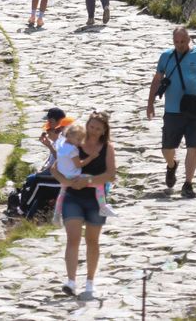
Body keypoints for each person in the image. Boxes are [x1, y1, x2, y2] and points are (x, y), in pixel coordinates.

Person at [147, 26, 196, 199]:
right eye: (176, 42)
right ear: (173, 41)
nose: (180, 45)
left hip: (194, 109)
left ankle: (188, 183)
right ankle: (172, 164)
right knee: (167, 148)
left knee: (193, 146)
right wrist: (150, 103)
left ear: (189, 40)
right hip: (172, 110)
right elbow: (157, 79)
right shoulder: (166, 56)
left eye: (183, 41)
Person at [50, 111, 116, 300]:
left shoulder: (107, 148)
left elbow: (111, 175)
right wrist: (69, 183)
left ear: (104, 130)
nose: (94, 131)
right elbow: (55, 169)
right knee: (73, 238)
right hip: (72, 197)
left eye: (98, 128)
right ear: (86, 125)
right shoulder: (75, 143)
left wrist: (87, 181)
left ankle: (90, 282)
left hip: (95, 198)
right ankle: (71, 281)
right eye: (91, 127)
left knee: (92, 241)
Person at [52, 124, 117, 222]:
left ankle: (56, 215)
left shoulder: (60, 143)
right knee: (98, 184)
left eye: (80, 140)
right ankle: (103, 207)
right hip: (74, 174)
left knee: (62, 193)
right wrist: (91, 157)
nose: (79, 143)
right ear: (69, 135)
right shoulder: (72, 150)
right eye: (78, 139)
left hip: (64, 174)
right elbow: (78, 164)